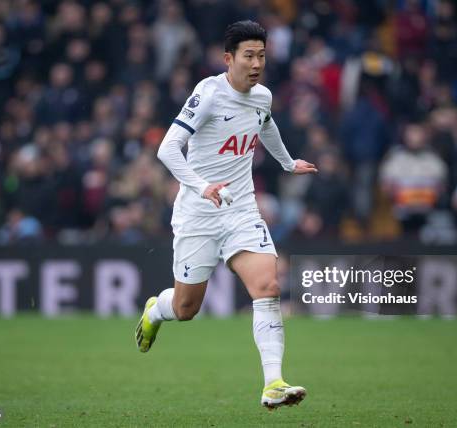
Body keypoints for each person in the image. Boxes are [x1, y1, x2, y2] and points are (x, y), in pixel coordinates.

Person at [135, 20, 317, 409]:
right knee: (185, 309)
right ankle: (156, 310)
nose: (256, 64)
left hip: (240, 209)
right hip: (199, 214)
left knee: (267, 286)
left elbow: (265, 125)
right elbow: (167, 149)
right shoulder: (208, 93)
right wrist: (201, 186)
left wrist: (286, 163)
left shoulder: (262, 97)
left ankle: (273, 383)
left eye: (262, 56)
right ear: (228, 58)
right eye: (249, 56)